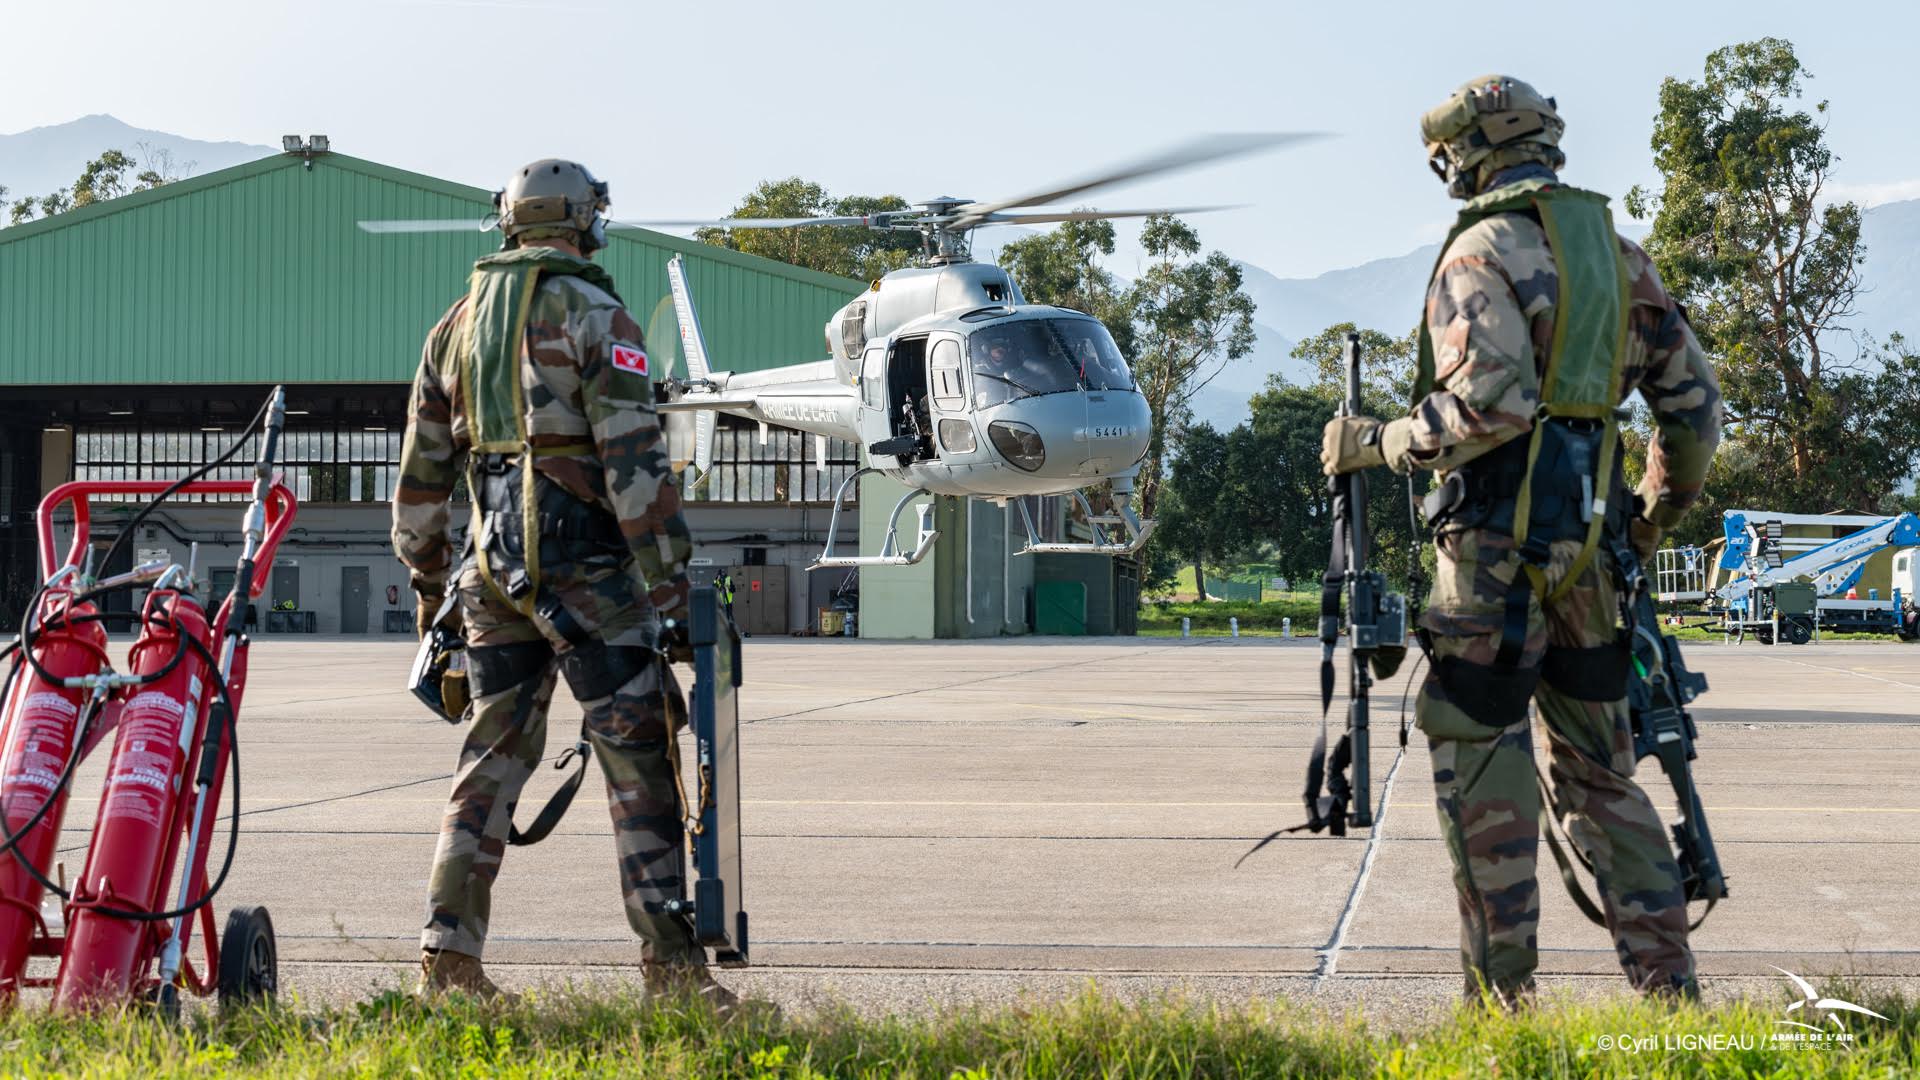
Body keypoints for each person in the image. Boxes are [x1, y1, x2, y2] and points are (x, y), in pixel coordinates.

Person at [1319, 76, 1723, 1006]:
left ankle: (1504, 1013)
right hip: (1595, 566)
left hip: (1491, 565)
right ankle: (1670, 999)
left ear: (1466, 154)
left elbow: (1487, 405)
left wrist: (1378, 442)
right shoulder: (1620, 257)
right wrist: (1651, 517)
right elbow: (1695, 412)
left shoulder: (1480, 253)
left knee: (1483, 780)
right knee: (1603, 778)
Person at [392, 158, 735, 1008]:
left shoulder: (455, 326)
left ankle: (448, 962)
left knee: (490, 762)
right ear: (584, 221)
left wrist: (432, 586)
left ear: (508, 223)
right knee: (637, 760)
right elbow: (633, 463)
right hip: (586, 581)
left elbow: (421, 478)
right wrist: (671, 590)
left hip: (488, 580)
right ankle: (673, 976)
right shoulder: (598, 315)